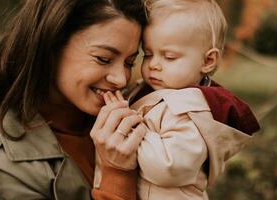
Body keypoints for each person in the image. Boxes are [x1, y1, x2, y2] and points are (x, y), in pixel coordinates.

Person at [0, 0, 148, 199]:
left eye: (129, 62)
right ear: (52, 45)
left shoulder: (142, 110)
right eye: (104, 58)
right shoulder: (2, 173)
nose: (121, 79)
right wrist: (117, 173)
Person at [94, 0, 260, 199]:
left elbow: (169, 168)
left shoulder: (190, 111)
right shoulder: (145, 91)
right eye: (147, 54)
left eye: (169, 57)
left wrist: (130, 127)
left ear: (208, 61)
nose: (154, 64)